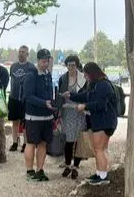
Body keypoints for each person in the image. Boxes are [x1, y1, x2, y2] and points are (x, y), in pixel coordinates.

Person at [64, 62, 118, 185]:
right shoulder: (97, 85)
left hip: (104, 122)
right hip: (104, 121)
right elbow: (87, 96)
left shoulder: (103, 85)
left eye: (86, 74)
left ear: (92, 74)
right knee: (100, 149)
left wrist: (85, 106)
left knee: (100, 149)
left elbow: (100, 104)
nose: (85, 77)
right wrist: (72, 95)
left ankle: (103, 177)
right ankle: (100, 173)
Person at [23, 49, 55, 182]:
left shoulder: (48, 74)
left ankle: (40, 169)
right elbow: (28, 96)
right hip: (33, 116)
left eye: (47, 60)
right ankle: (29, 171)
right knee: (31, 143)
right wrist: (44, 103)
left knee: (43, 143)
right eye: (43, 61)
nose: (46, 63)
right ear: (38, 60)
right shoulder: (31, 75)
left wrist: (53, 104)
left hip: (47, 116)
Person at [55, 55, 86, 180]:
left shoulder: (83, 78)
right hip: (68, 112)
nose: (71, 67)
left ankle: (76, 167)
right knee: (68, 140)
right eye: (68, 65)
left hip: (80, 112)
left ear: (77, 65)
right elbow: (59, 95)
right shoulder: (63, 78)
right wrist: (59, 111)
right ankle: (67, 164)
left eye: (73, 65)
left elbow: (86, 95)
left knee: (79, 140)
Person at [7, 45, 37, 153]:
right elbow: (12, 80)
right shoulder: (13, 66)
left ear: (27, 54)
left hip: (25, 99)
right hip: (14, 97)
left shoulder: (31, 67)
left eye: (23, 52)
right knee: (15, 122)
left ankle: (25, 143)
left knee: (25, 123)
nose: (21, 53)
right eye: (19, 51)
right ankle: (15, 142)